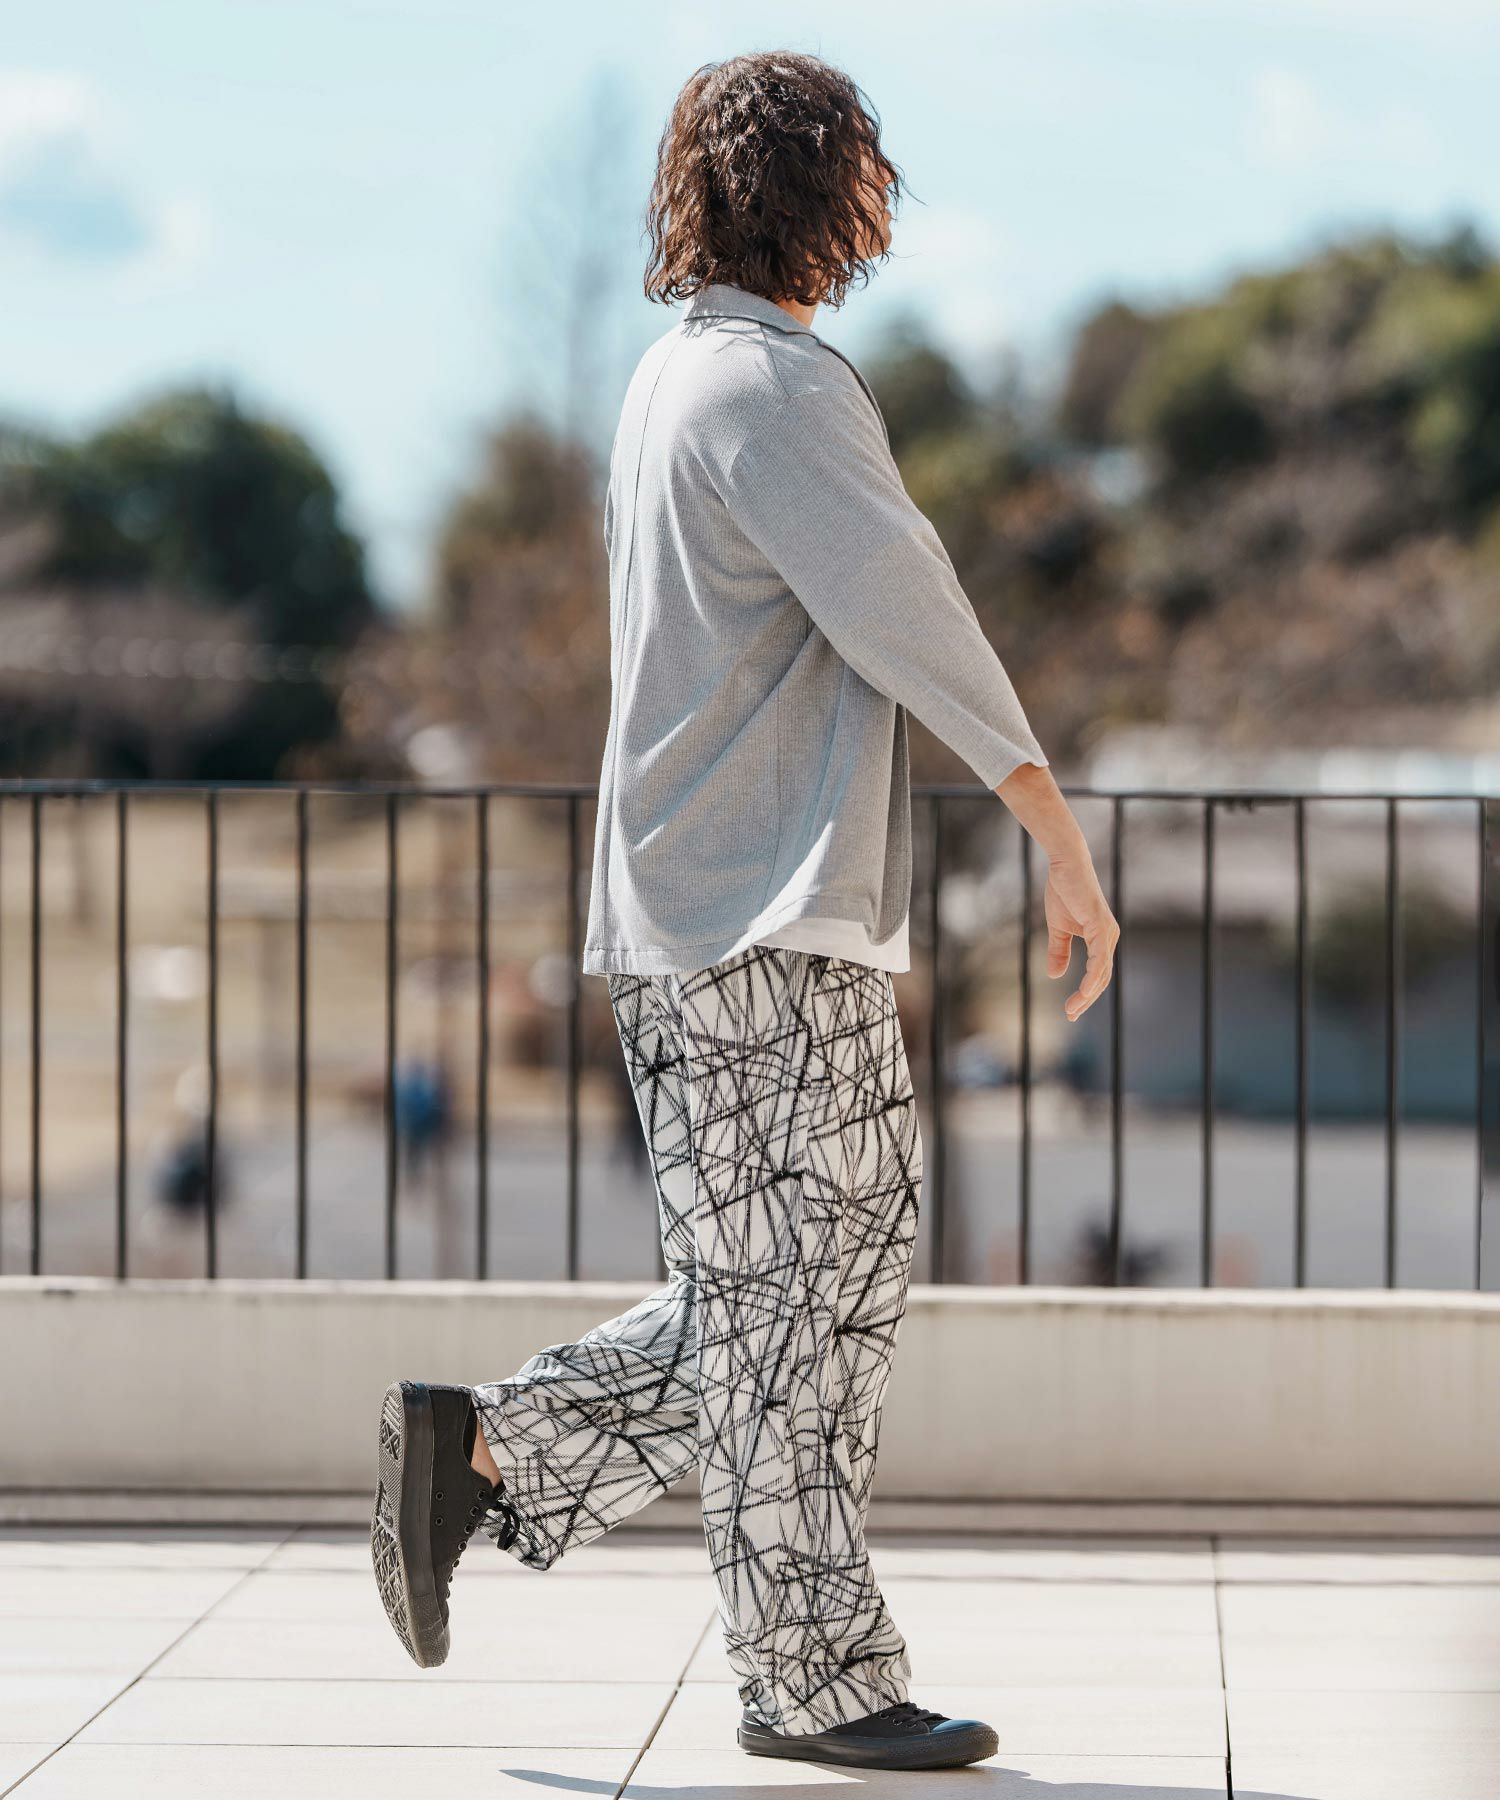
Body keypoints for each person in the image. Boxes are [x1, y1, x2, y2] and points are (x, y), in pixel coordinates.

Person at [370, 48, 1118, 1774]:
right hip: (758, 926)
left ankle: (487, 1451)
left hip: (701, 918)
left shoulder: (669, 381)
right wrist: (1052, 826)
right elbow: (908, 605)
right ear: (837, 191)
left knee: (802, 1287)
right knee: (796, 1306)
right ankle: (813, 1676)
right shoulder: (778, 390)